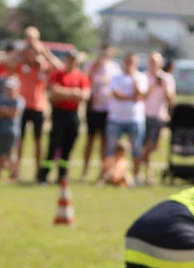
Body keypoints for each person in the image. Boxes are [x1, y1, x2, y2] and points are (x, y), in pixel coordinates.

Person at [14, 34, 63, 183]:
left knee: (38, 141)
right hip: (23, 107)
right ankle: (15, 171)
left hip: (38, 107)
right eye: (31, 51)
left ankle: (37, 172)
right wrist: (22, 52)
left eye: (35, 51)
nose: (33, 54)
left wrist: (46, 53)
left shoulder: (44, 67)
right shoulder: (22, 65)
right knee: (20, 140)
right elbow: (7, 62)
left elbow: (60, 67)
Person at [39, 51, 90, 185]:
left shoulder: (81, 76)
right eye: (70, 59)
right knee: (53, 145)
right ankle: (44, 175)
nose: (72, 62)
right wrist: (73, 93)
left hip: (73, 114)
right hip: (59, 112)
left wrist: (66, 93)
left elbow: (85, 95)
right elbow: (54, 92)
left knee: (68, 146)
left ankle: (62, 175)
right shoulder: (59, 74)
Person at [106, 52, 149, 182]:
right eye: (128, 61)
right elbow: (116, 94)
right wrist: (132, 97)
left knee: (136, 148)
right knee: (111, 148)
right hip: (115, 119)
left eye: (132, 62)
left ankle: (136, 176)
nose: (130, 65)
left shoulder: (141, 77)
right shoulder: (116, 77)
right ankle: (108, 175)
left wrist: (134, 86)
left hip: (135, 119)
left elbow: (140, 95)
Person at [83, 45, 120, 180]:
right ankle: (84, 170)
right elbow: (86, 80)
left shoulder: (114, 68)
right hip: (93, 108)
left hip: (107, 109)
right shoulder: (90, 66)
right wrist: (95, 67)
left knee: (104, 142)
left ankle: (102, 172)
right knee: (90, 140)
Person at [142, 52, 177, 185]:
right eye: (151, 62)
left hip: (159, 116)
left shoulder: (167, 78)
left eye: (156, 62)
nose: (153, 65)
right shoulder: (144, 77)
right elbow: (141, 96)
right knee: (145, 145)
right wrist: (152, 86)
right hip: (144, 115)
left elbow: (171, 100)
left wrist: (163, 86)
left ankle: (144, 168)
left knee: (152, 146)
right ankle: (148, 173)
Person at [0, 76, 24, 179]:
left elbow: (14, 113)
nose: (9, 90)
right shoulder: (1, 99)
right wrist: (7, 111)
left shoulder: (19, 100)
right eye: (7, 88)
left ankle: (14, 174)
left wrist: (4, 111)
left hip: (13, 132)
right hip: (1, 130)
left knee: (11, 154)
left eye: (11, 88)